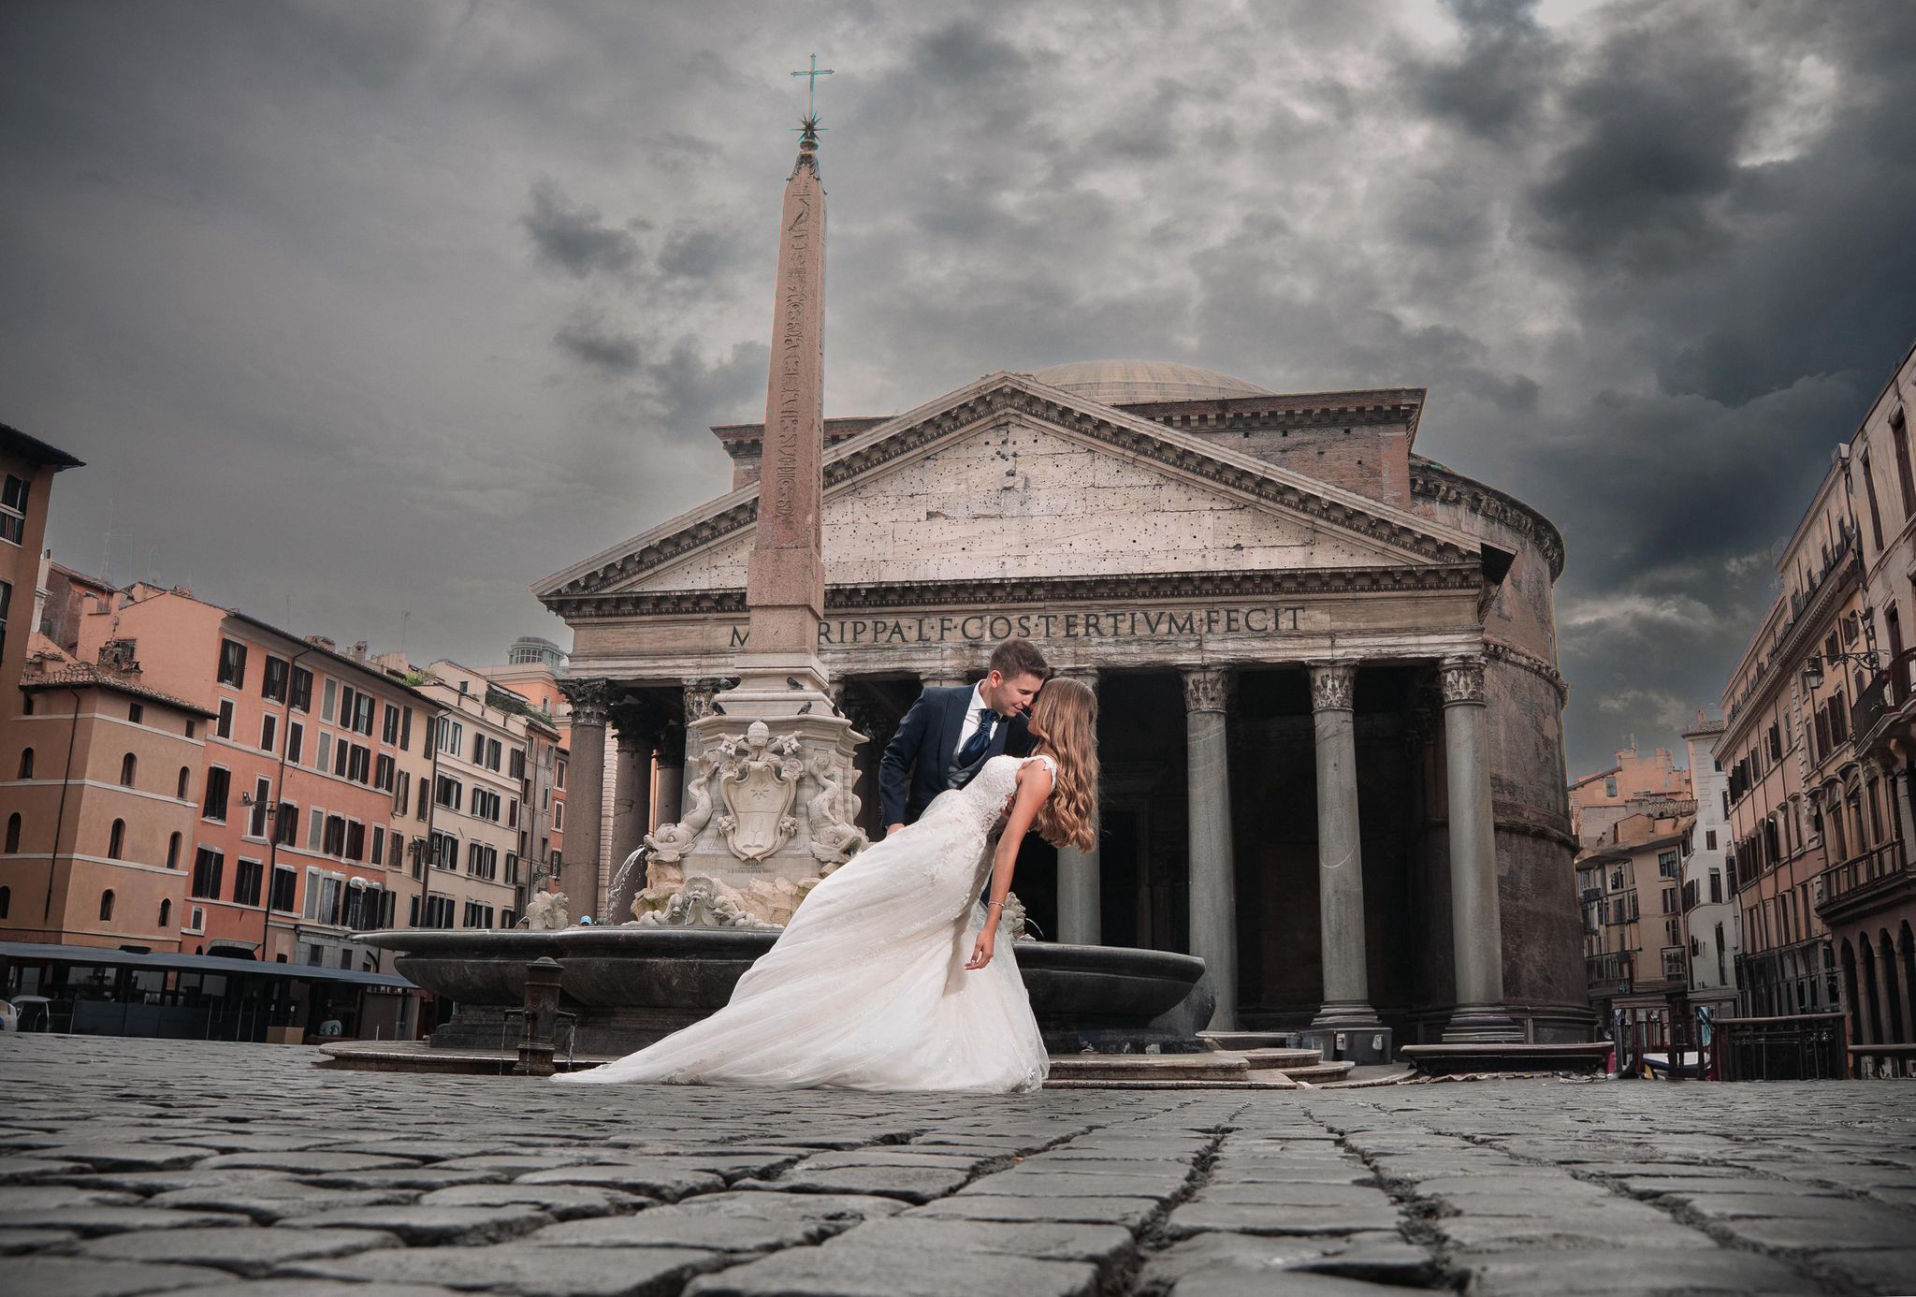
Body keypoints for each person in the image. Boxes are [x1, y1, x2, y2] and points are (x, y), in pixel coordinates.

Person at [554, 676, 1099, 1093]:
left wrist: (993, 919)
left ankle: (821, 1026)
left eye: (1040, 699)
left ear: (1057, 713)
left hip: (944, 856)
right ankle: (860, 1026)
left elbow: (1008, 846)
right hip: (940, 851)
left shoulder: (1042, 770)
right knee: (885, 940)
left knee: (837, 904)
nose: (1030, 704)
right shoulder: (1037, 762)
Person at [879, 637, 1049, 835]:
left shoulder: (1021, 731)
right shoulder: (935, 703)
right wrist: (894, 822)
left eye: (1033, 694)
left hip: (970, 842)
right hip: (913, 830)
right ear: (995, 679)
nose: (1028, 702)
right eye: (1024, 692)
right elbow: (894, 760)